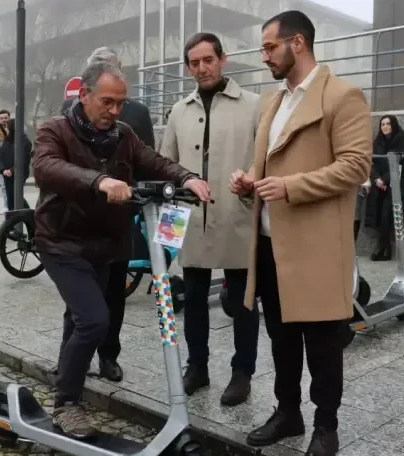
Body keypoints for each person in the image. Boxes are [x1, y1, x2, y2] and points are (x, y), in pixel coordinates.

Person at [32, 61, 211, 439]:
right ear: (84, 96)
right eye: (107, 102)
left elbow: (154, 160)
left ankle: (67, 382)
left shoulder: (123, 134)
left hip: (103, 244)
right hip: (61, 242)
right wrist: (99, 180)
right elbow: (46, 167)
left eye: (120, 104)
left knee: (78, 319)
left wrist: (188, 177)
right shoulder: (55, 129)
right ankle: (66, 403)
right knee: (95, 320)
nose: (114, 111)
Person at [229, 11, 371, 456]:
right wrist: (250, 180)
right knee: (282, 338)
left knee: (324, 345)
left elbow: (355, 166)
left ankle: (325, 427)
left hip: (317, 246)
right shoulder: (272, 102)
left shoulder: (343, 96)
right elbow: (270, 166)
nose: (264, 55)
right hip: (271, 243)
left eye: (269, 47)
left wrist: (291, 187)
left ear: (298, 43)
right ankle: (287, 412)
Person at [160, 32, 260, 405]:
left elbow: (263, 158)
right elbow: (166, 160)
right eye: (194, 62)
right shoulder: (178, 110)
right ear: (188, 67)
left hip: (237, 213)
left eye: (208, 60)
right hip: (190, 216)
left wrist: (249, 178)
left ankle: (242, 372)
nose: (201, 68)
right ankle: (197, 366)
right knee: (194, 297)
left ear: (223, 59)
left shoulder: (253, 105)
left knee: (243, 299)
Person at [58, 46, 155, 382]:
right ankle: (71, 359)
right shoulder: (67, 113)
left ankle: (108, 356)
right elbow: (58, 164)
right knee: (79, 300)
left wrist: (141, 197)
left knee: (114, 293)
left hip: (117, 222)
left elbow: (148, 160)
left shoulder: (138, 114)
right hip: (79, 222)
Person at [365, 114, 404, 261]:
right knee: (379, 214)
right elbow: (371, 162)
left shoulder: (401, 141)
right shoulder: (378, 142)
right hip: (379, 185)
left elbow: (401, 164)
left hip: (395, 185)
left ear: (393, 125)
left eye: (388, 124)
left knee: (387, 214)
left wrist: (385, 180)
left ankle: (384, 248)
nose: (385, 127)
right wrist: (377, 179)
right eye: (382, 124)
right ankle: (384, 248)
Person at [0, 117, 31, 209]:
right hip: (6, 174)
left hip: (18, 174)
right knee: (10, 198)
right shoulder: (7, 139)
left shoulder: (24, 141)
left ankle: (30, 217)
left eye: (8, 127)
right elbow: (0, 156)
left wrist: (12, 170)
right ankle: (13, 218)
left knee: (17, 197)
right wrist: (3, 169)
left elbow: (23, 159)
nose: (6, 129)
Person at [0, 109, 11, 214]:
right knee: (3, 186)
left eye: (5, 118)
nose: (4, 120)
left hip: (12, 161)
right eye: (1, 118)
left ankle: (12, 204)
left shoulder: (15, 129)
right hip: (0, 161)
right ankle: (6, 205)